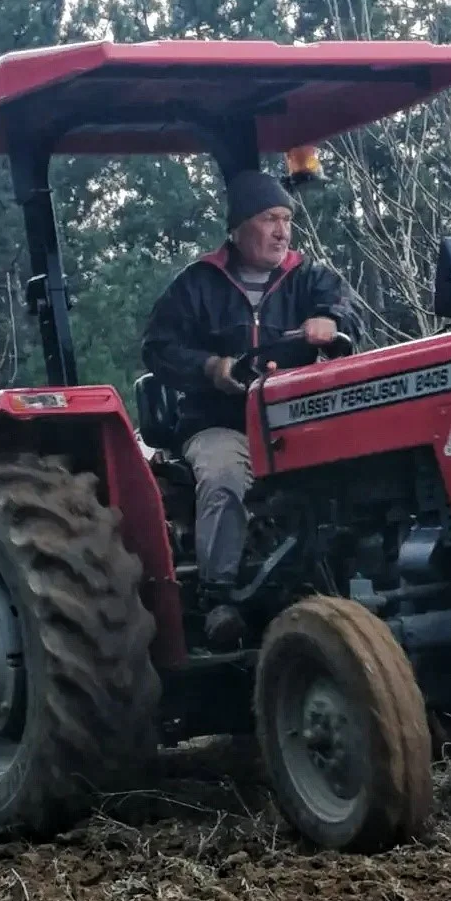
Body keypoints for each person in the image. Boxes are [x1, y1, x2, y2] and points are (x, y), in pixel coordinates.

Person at [141, 169, 359, 646]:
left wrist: (328, 320)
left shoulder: (310, 277)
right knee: (224, 476)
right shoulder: (197, 285)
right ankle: (218, 596)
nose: (282, 231)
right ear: (239, 228)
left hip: (298, 420)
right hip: (222, 422)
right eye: (269, 219)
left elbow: (344, 309)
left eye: (287, 219)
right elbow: (158, 349)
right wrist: (212, 368)